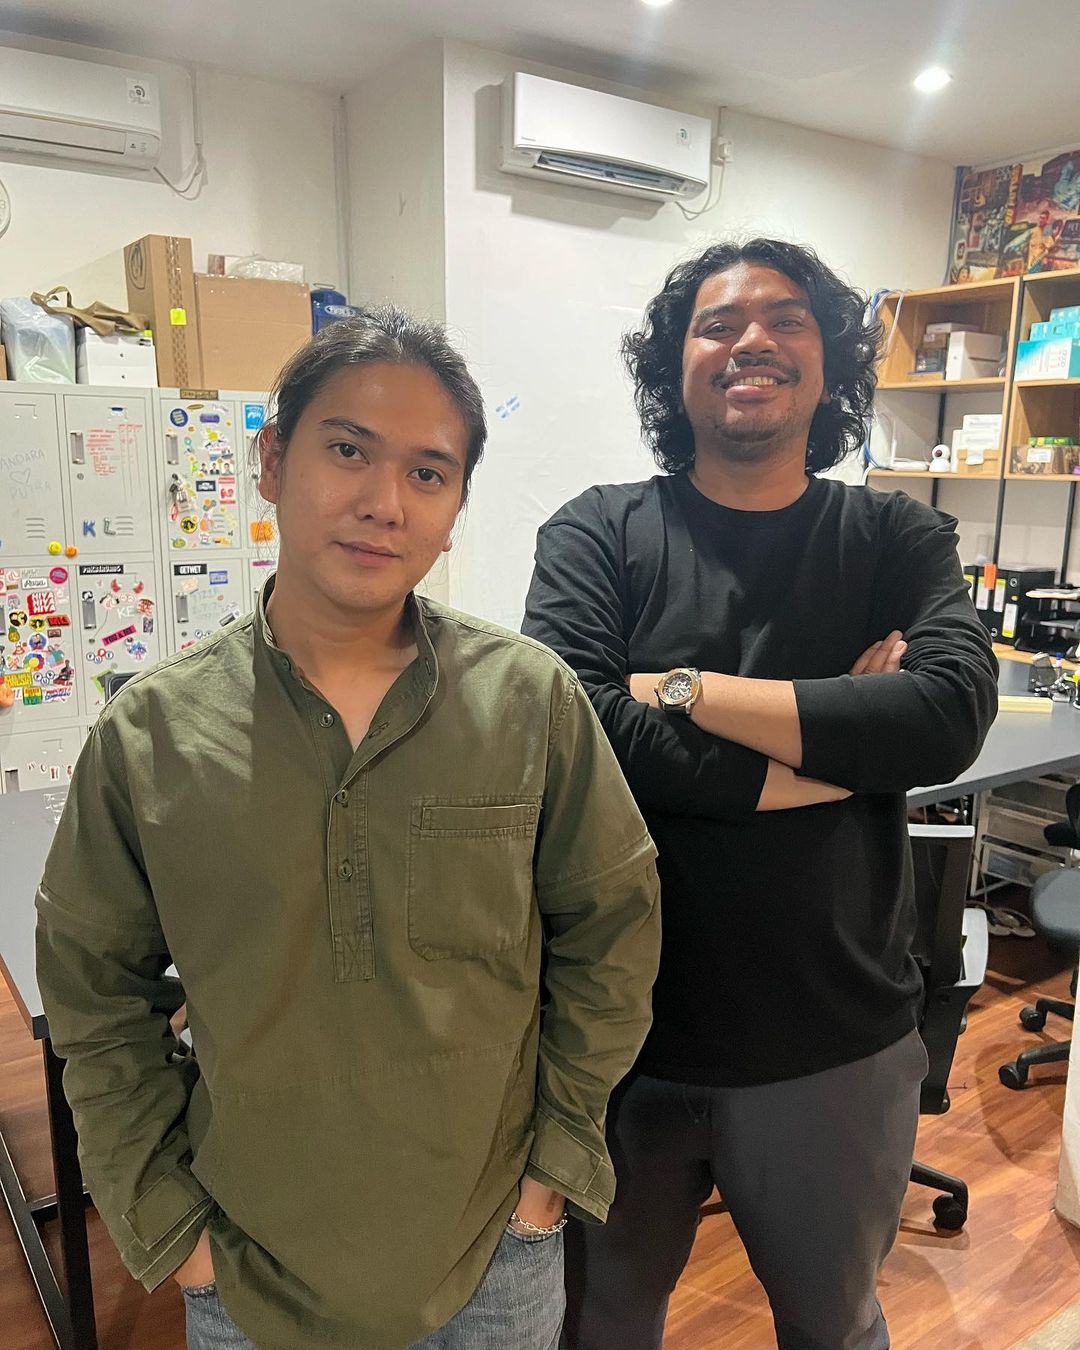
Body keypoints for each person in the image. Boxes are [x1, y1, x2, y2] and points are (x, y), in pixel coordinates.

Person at [36, 310, 661, 1350]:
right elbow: (94, 996)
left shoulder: (530, 703)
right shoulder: (153, 734)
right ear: (273, 461)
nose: (383, 502)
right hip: (250, 1272)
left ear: (454, 512)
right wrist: (172, 1230)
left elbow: (614, 936)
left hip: (494, 1261)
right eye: (348, 450)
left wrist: (551, 1176)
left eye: (429, 473)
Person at [522, 238, 998, 1350]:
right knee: (595, 1328)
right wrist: (841, 738)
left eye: (787, 320)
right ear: (674, 366)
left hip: (833, 1039)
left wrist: (684, 691)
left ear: (829, 367)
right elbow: (578, 730)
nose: (752, 342)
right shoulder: (598, 532)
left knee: (833, 1329)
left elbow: (946, 715)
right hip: (611, 1035)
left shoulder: (894, 537)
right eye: (717, 323)